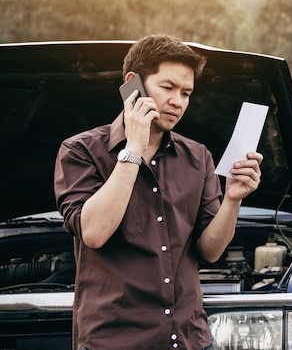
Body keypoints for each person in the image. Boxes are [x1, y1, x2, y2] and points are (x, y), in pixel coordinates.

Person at [54, 34, 263, 350]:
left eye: (186, 92)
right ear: (133, 84)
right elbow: (94, 232)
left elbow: (210, 251)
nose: (178, 101)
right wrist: (133, 148)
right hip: (114, 343)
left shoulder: (198, 157)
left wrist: (233, 200)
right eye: (168, 88)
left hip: (189, 339)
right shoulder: (80, 151)